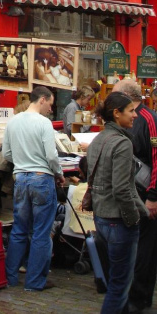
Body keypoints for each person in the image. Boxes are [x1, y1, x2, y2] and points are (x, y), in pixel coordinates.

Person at [87, 92, 148, 314]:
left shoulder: (97, 140)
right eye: (131, 111)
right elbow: (122, 189)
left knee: (115, 280)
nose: (135, 115)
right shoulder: (122, 143)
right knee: (119, 286)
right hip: (118, 222)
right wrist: (134, 219)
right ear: (116, 113)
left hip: (101, 218)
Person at [3, 85, 65, 291]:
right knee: (41, 231)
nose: (50, 109)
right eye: (50, 104)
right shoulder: (44, 123)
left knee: (19, 229)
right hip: (41, 178)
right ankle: (35, 281)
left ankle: (10, 277)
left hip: (20, 177)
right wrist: (59, 173)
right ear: (42, 100)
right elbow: (51, 155)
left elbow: (7, 154)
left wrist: (22, 162)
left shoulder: (12, 122)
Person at [112, 80, 157, 313]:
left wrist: (153, 195)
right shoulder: (124, 119)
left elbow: (156, 158)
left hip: (145, 193)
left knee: (145, 249)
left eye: (115, 96)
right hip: (132, 192)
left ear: (128, 96)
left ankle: (139, 297)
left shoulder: (148, 118)